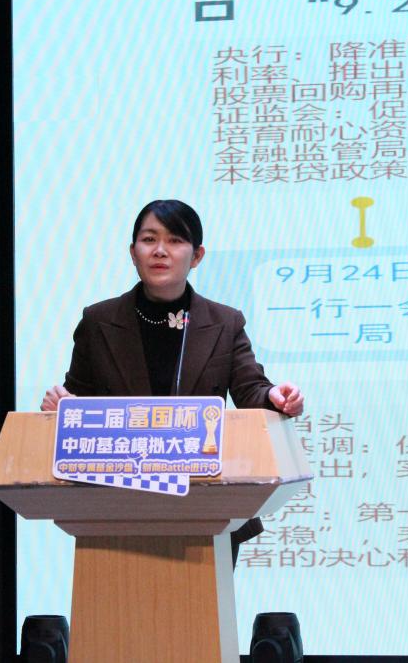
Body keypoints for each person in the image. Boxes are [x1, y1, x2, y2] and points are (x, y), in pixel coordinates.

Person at [41, 199, 303, 566]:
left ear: (197, 256)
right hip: (115, 503)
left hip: (206, 503)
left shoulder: (225, 323)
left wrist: (275, 397)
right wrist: (61, 406)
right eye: (149, 239)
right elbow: (78, 400)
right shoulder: (99, 321)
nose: (160, 250)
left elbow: (251, 389)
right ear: (133, 252)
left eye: (176, 240)